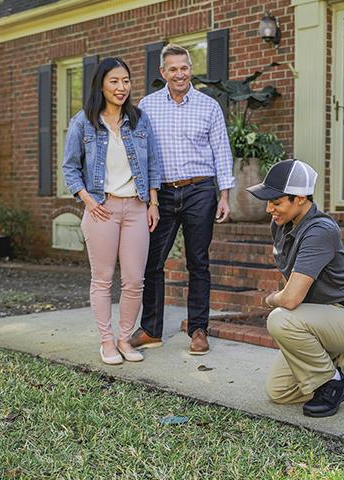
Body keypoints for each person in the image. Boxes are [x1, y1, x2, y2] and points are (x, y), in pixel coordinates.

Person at [246, 159, 344, 418]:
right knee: (279, 391)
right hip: (320, 318)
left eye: (276, 202)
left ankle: (331, 383)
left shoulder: (320, 230)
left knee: (281, 318)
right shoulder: (280, 225)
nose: (269, 209)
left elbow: (289, 299)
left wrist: (269, 299)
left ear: (300, 198)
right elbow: (293, 279)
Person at [129, 44, 234, 355]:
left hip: (200, 190)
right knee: (153, 261)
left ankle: (199, 329)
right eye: (172, 69)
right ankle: (150, 330)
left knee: (198, 262)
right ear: (163, 73)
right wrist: (148, 199)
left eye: (184, 68)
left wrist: (224, 195)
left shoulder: (208, 106)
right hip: (160, 193)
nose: (179, 74)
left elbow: (221, 151)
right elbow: (142, 155)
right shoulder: (147, 106)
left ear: (191, 70)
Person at [62, 57, 161, 365]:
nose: (121, 87)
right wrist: (89, 202)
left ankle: (124, 338)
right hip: (102, 208)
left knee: (134, 280)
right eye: (115, 81)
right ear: (101, 85)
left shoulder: (139, 120)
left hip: (136, 208)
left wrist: (153, 203)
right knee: (103, 279)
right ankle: (106, 341)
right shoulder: (84, 121)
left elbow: (153, 164)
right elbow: (69, 168)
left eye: (126, 81)